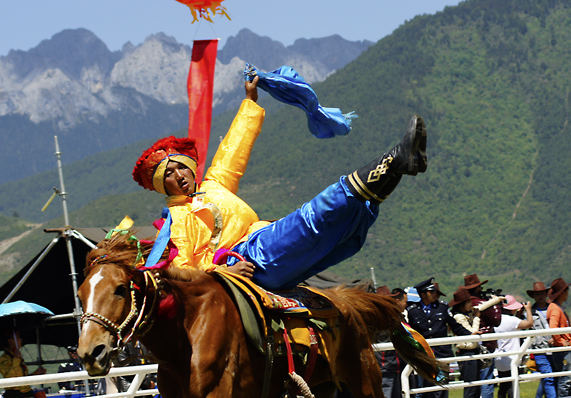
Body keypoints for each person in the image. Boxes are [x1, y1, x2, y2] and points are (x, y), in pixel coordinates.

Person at [131, 77, 427, 290]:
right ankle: (394, 157)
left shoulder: (213, 185)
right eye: (168, 174)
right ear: (161, 185)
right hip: (248, 261)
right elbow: (182, 271)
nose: (179, 175)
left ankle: (403, 167)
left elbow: (234, 148)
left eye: (180, 167)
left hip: (263, 244)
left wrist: (250, 100)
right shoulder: (176, 221)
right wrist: (221, 270)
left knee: (348, 222)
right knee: (310, 218)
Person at [406, 278, 472, 398]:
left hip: (442, 355)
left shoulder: (442, 308)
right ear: (423, 294)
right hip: (425, 356)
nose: (435, 294)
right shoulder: (413, 311)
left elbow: (455, 326)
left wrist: (470, 334)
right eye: (431, 292)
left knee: (442, 388)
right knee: (427, 389)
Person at [458, 274, 503, 398]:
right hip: (476, 347)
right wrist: (495, 302)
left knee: (476, 383)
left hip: (474, 348)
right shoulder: (466, 312)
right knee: (480, 382)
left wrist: (494, 300)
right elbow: (495, 320)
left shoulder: (469, 310)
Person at [493, 296, 533, 398]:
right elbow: (529, 323)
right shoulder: (512, 320)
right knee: (511, 386)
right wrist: (528, 310)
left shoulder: (495, 320)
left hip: (499, 358)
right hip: (512, 358)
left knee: (503, 386)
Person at [449, 288, 483, 398]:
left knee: (476, 385)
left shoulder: (466, 315)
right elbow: (471, 333)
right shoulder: (459, 317)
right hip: (466, 352)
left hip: (472, 352)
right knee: (470, 385)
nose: (471, 304)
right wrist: (477, 318)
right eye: (468, 301)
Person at [547, 278, 571, 398]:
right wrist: (561, 341)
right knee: (566, 376)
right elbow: (553, 328)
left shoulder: (557, 308)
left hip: (566, 345)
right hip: (563, 348)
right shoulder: (555, 309)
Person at [528, 281, 560, 398]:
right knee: (547, 375)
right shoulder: (530, 312)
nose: (540, 296)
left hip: (555, 347)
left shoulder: (553, 308)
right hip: (539, 348)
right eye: (537, 294)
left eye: (542, 293)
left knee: (557, 375)